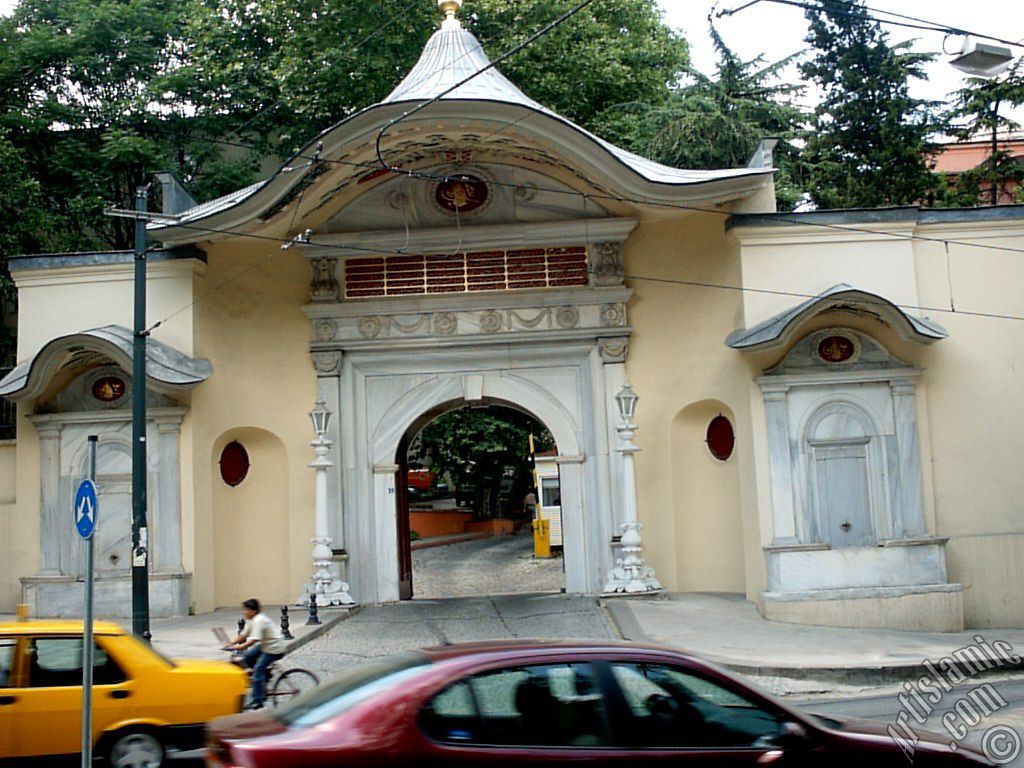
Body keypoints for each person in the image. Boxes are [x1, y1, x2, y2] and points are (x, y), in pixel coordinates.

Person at [224, 598, 286, 709]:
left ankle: (258, 700)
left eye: (245, 610)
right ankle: (263, 679)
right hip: (266, 645)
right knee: (247, 657)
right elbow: (244, 635)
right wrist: (230, 643)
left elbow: (253, 640)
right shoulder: (253, 620)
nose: (244, 612)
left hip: (274, 649)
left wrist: (239, 647)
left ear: (252, 611)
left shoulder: (259, 620)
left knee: (257, 670)